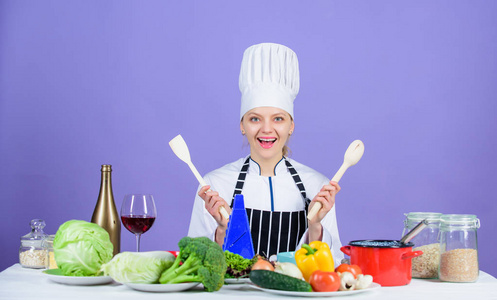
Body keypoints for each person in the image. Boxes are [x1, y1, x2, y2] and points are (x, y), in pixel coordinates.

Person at [188, 43, 344, 265]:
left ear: (291, 125)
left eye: (278, 118)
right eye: (255, 118)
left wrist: (315, 225)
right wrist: (222, 230)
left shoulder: (317, 186)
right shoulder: (213, 185)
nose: (267, 129)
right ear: (242, 125)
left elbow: (333, 265)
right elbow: (193, 263)